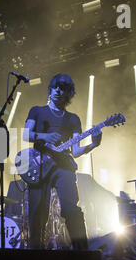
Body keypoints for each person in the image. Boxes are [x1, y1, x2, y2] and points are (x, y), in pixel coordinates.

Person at [23, 73, 102, 250]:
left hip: (64, 166)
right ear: (50, 90)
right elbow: (25, 134)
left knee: (71, 209)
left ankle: (83, 254)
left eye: (64, 89)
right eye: (56, 87)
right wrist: (45, 136)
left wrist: (94, 145)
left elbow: (76, 151)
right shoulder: (37, 110)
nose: (59, 91)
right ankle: (35, 258)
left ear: (69, 95)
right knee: (37, 213)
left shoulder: (73, 119)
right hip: (39, 165)